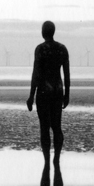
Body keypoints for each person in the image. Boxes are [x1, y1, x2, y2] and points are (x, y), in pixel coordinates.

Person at [26, 21, 70, 163]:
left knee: (44, 128)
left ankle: (46, 162)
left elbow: (36, 73)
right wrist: (67, 94)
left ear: (43, 32)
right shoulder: (62, 49)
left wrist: (31, 95)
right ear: (53, 31)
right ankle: (56, 158)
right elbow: (67, 74)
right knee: (57, 126)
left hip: (44, 92)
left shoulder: (40, 49)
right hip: (57, 90)